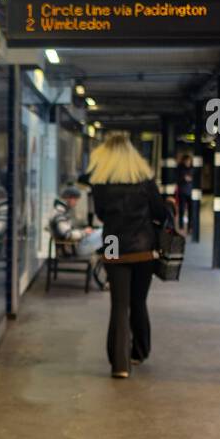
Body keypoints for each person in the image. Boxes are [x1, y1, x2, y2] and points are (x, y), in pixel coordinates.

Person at [89, 135, 173, 378]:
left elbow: (101, 214)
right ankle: (139, 351)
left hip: (114, 244)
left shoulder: (101, 182)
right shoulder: (144, 181)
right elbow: (159, 212)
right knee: (138, 301)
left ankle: (120, 364)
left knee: (119, 304)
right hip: (143, 247)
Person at [175, 153, 195, 231]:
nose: (188, 162)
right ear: (184, 161)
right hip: (182, 191)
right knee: (181, 209)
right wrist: (184, 178)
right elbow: (176, 179)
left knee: (191, 210)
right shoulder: (179, 168)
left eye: (189, 161)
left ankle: (190, 227)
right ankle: (181, 226)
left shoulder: (193, 168)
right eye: (186, 161)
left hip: (191, 192)